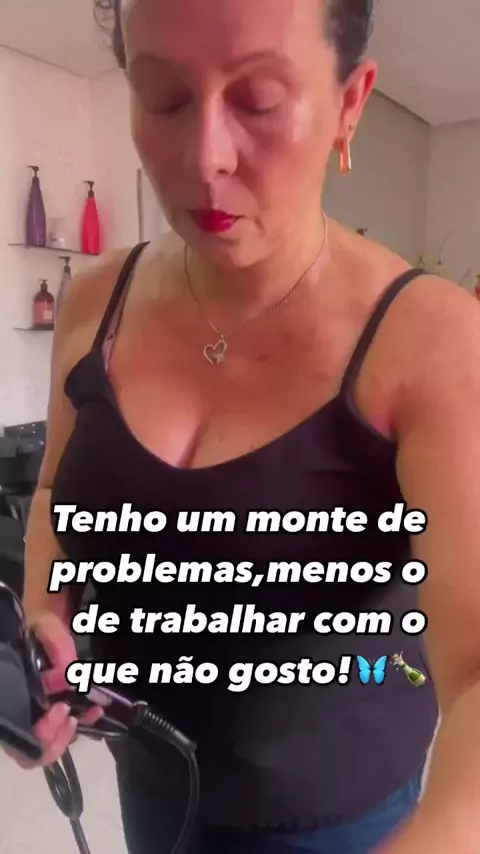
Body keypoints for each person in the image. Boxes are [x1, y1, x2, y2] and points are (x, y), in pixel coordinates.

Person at [10, 0, 480, 852]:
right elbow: (53, 496)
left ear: (350, 103)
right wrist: (48, 613)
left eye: (259, 102)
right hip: (153, 787)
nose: (205, 159)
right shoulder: (93, 302)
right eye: (163, 98)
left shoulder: (434, 341)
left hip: (345, 827)